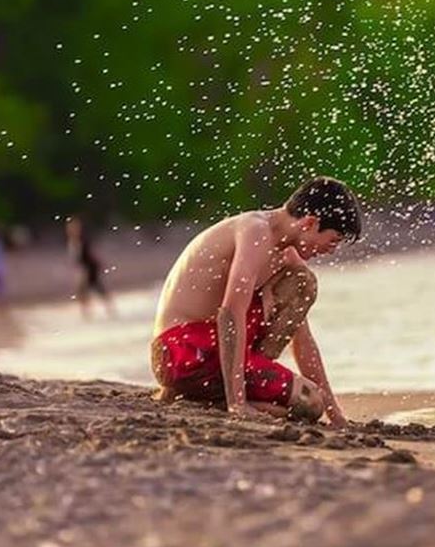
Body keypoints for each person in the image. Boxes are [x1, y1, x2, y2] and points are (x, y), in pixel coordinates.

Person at [150, 177, 362, 426]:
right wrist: (237, 403)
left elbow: (303, 339)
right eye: (333, 240)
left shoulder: (286, 252)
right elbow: (230, 313)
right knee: (308, 402)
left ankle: (205, 396)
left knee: (302, 282)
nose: (331, 250)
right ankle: (222, 397)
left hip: (208, 349)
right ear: (310, 223)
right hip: (182, 350)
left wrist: (336, 415)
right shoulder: (256, 231)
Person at [66, 216, 115, 317]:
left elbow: (87, 256)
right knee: (94, 288)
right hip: (86, 267)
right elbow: (77, 257)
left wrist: (84, 271)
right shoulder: (73, 240)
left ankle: (88, 312)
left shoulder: (82, 240)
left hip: (89, 268)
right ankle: (92, 311)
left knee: (88, 289)